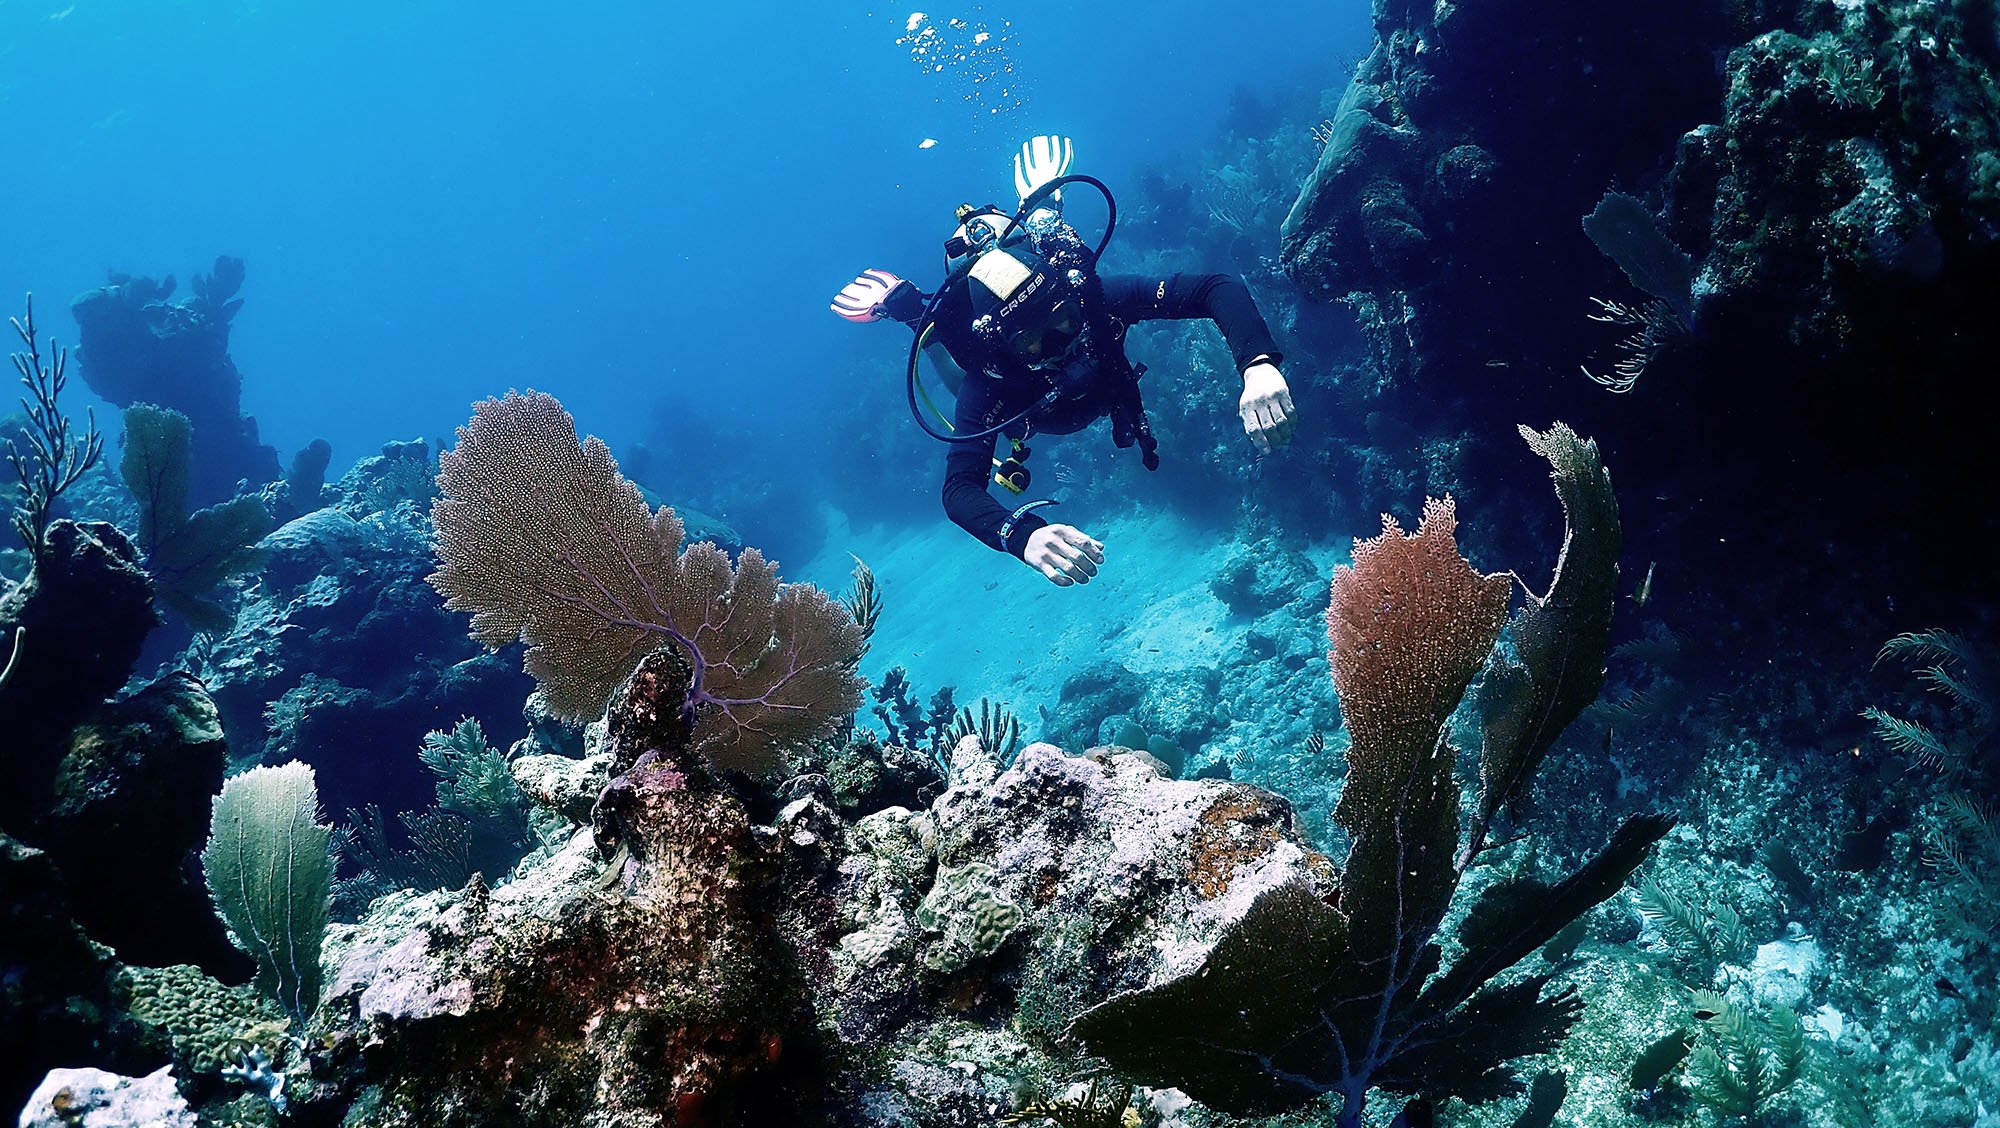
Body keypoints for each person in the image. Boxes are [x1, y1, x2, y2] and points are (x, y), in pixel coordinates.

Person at [831, 135, 1296, 588]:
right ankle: (917, 317)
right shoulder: (990, 377)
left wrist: (1257, 364)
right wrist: (1023, 535)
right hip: (1012, 391)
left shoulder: (1093, 297)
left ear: (1071, 298)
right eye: (1032, 343)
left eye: (1064, 320)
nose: (1060, 346)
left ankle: (1044, 215)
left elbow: (1215, 288)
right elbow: (959, 492)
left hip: (1043, 335)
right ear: (1007, 344)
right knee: (962, 370)